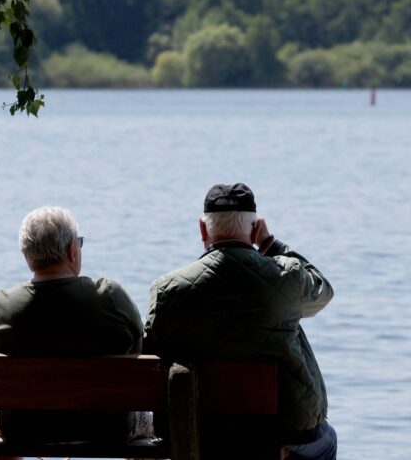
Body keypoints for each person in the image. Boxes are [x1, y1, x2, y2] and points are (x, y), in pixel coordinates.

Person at [144, 183, 336, 460]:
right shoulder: (288, 278)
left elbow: (154, 349)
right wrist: (271, 244)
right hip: (284, 430)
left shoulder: (167, 289)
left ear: (202, 229)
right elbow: (323, 291)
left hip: (201, 429)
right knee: (326, 442)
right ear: (255, 228)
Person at [0, 206, 150, 444]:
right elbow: (139, 348)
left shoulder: (2, 305)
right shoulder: (110, 296)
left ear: (27, 255)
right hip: (107, 428)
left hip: (23, 429)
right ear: (72, 250)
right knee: (147, 417)